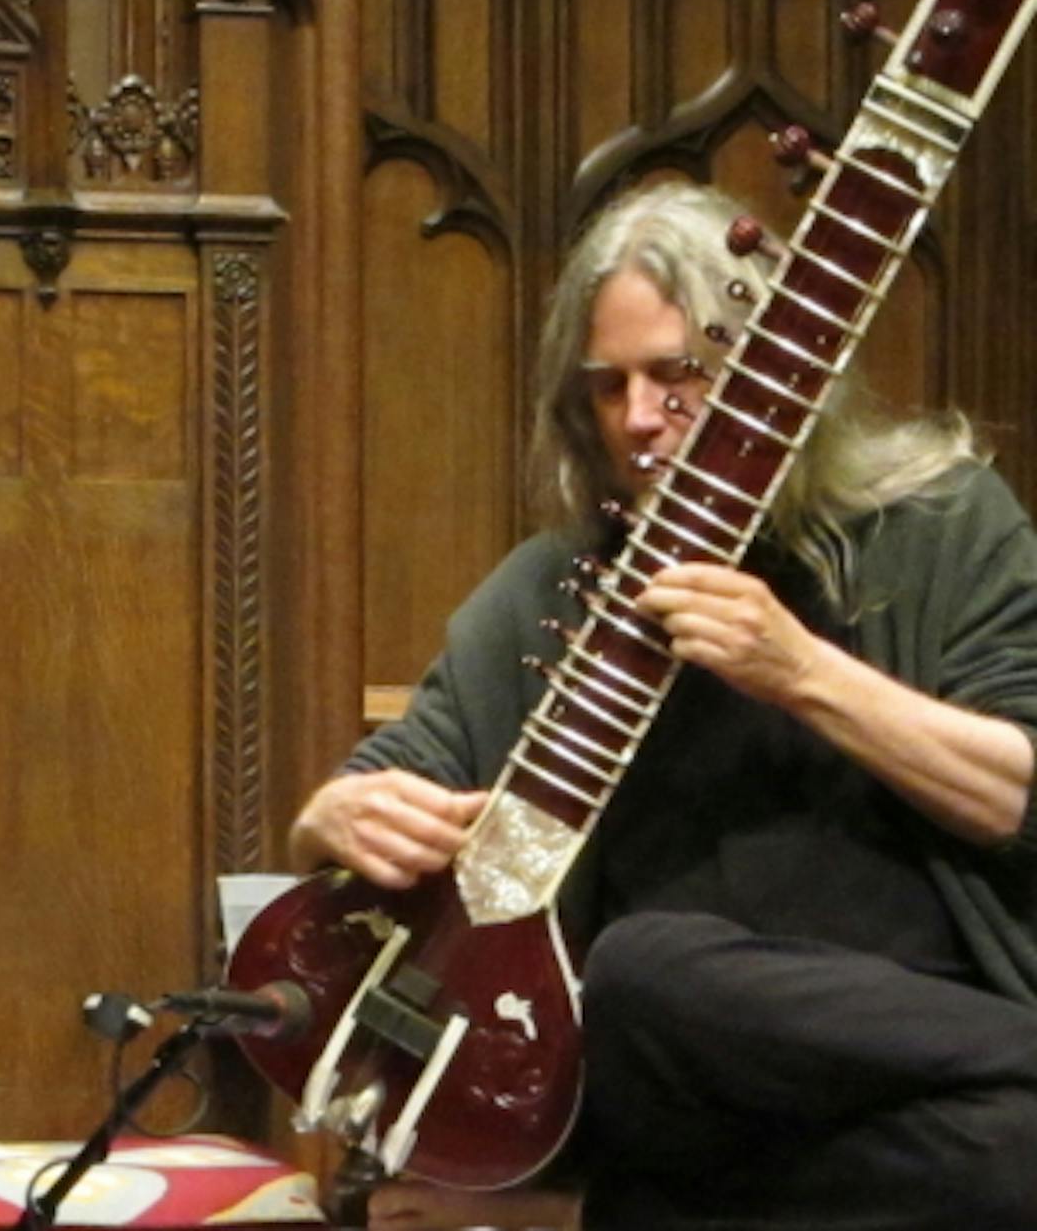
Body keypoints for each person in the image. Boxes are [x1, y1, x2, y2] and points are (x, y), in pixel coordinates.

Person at [289, 182, 1037, 1230]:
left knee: (1016, 1158)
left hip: (921, 1057)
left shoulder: (941, 525)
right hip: (676, 1075)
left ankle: (606, 1216)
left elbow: (1021, 795)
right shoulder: (551, 588)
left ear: (777, 375)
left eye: (678, 375)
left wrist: (803, 671)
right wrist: (332, 815)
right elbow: (389, 779)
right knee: (644, 969)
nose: (640, 417)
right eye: (610, 386)